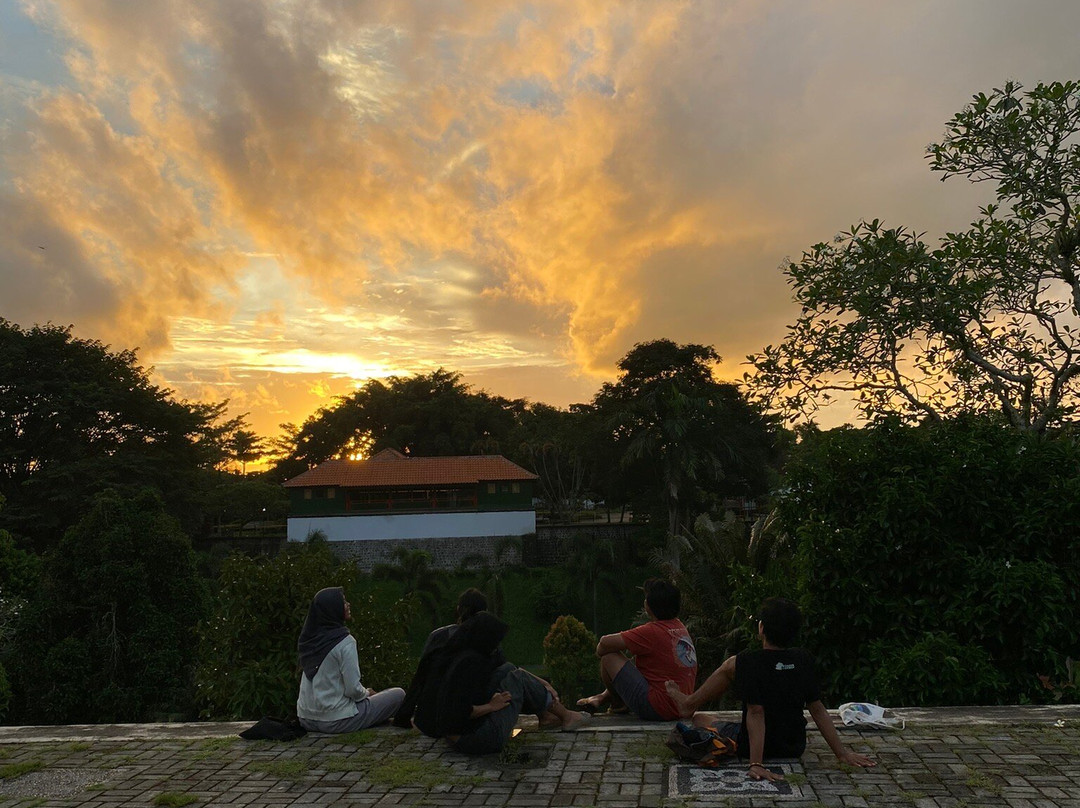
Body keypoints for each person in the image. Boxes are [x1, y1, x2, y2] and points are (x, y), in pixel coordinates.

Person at [664, 597, 875, 781]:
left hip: (753, 747)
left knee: (700, 718)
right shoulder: (803, 659)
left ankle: (688, 703)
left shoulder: (748, 661)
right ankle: (690, 704)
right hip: (793, 746)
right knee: (735, 695)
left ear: (761, 628)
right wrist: (842, 754)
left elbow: (756, 712)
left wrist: (756, 763)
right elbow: (817, 709)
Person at [413, 611, 588, 754]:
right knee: (516, 677)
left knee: (508, 669)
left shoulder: (462, 654)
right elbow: (457, 712)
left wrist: (545, 684)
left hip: (462, 734)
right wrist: (491, 706)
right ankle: (565, 716)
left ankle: (549, 715)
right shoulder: (469, 664)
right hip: (475, 739)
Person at [577, 578, 697, 721]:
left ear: (648, 606)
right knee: (638, 663)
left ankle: (618, 704)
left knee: (609, 657)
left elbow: (604, 645)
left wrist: (605, 652)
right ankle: (601, 697)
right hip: (681, 705)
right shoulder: (679, 627)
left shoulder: (652, 631)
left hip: (659, 709)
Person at [296, 586, 405, 733]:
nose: (348, 604)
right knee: (398, 694)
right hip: (337, 721)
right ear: (333, 609)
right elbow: (353, 690)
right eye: (343, 601)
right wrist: (367, 693)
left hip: (306, 719)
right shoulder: (345, 642)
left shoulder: (309, 640)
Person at [393, 588, 492, 728]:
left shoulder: (439, 636)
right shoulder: (485, 640)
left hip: (431, 719)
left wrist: (404, 715)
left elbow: (420, 677)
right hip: (466, 715)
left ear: (459, 609)